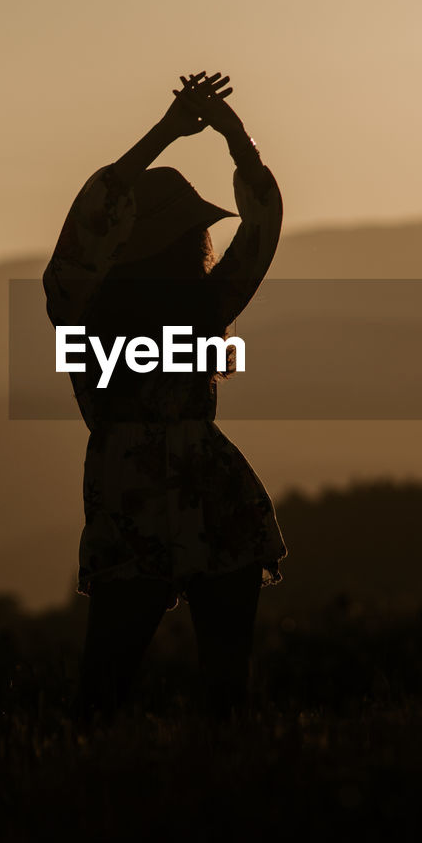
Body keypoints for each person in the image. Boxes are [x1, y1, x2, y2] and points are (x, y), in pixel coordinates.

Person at [43, 70, 288, 725]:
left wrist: (166, 132)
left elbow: (92, 219)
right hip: (211, 487)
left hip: (131, 493)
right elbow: (263, 220)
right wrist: (232, 136)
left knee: (103, 692)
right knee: (223, 695)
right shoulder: (204, 307)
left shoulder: (80, 310)